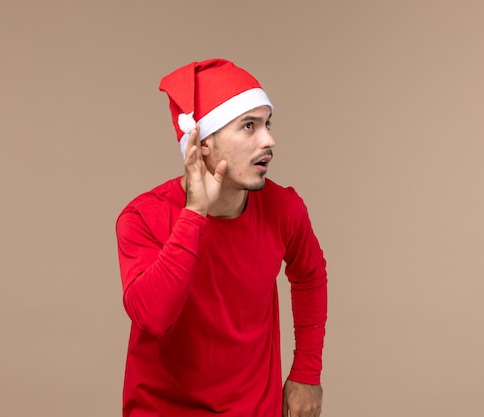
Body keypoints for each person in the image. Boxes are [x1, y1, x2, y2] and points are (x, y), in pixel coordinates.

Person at [115, 58, 328, 416]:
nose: (269, 140)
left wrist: (306, 373)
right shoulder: (141, 217)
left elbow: (310, 276)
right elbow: (152, 317)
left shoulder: (284, 209)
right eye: (249, 126)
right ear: (202, 145)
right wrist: (195, 213)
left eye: (267, 124)